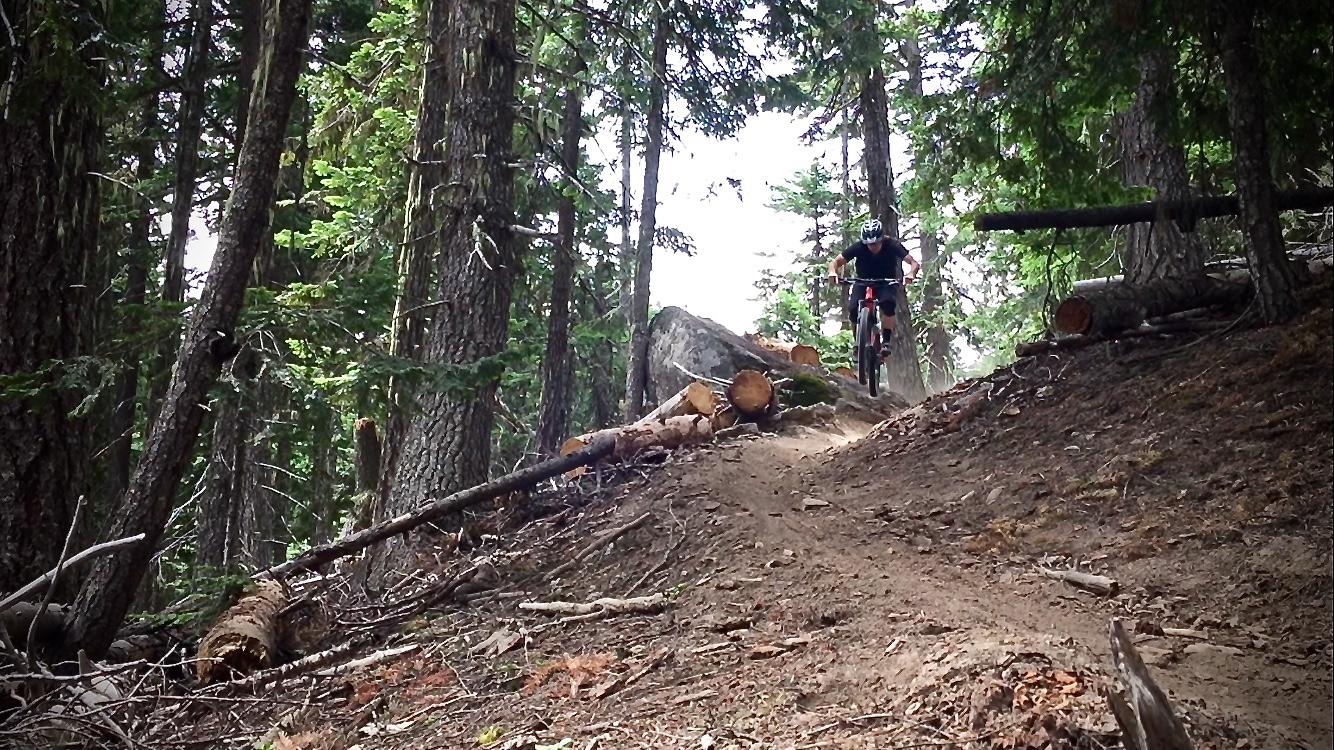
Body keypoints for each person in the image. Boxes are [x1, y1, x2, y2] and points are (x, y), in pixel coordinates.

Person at [827, 219, 921, 360]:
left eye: (876, 243)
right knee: (853, 309)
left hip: (886, 282)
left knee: (888, 303)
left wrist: (910, 274)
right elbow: (836, 262)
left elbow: (913, 263)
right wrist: (833, 272)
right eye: (869, 244)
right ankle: (857, 343)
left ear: (882, 239)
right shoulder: (859, 247)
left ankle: (887, 341)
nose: (873, 246)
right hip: (862, 281)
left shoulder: (892, 245)